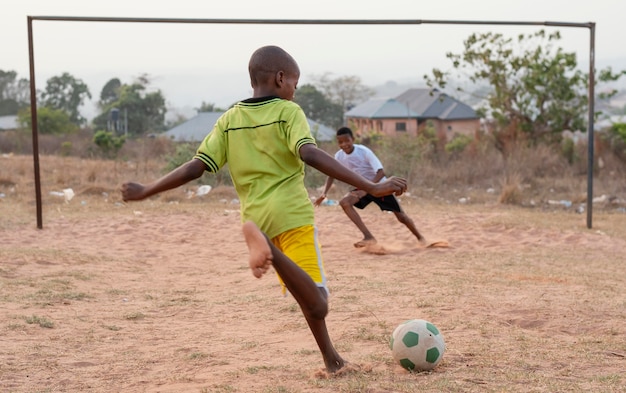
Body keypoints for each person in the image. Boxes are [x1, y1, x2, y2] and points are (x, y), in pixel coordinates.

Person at [120, 45, 407, 374]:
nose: (294, 94)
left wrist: (147, 190)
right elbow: (310, 154)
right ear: (281, 78)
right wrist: (371, 186)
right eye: (294, 86)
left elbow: (197, 166)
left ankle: (332, 360)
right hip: (291, 216)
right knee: (319, 302)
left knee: (304, 295)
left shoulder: (229, 119)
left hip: (256, 218)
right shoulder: (288, 113)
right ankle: (267, 247)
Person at [314, 127, 426, 248]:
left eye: (347, 141)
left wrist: (368, 189)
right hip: (362, 188)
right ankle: (368, 237)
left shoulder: (364, 151)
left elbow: (380, 172)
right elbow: (331, 174)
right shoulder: (339, 156)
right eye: (340, 142)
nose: (344, 144)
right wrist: (324, 193)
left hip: (379, 186)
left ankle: (421, 238)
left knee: (401, 217)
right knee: (345, 202)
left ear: (353, 139)